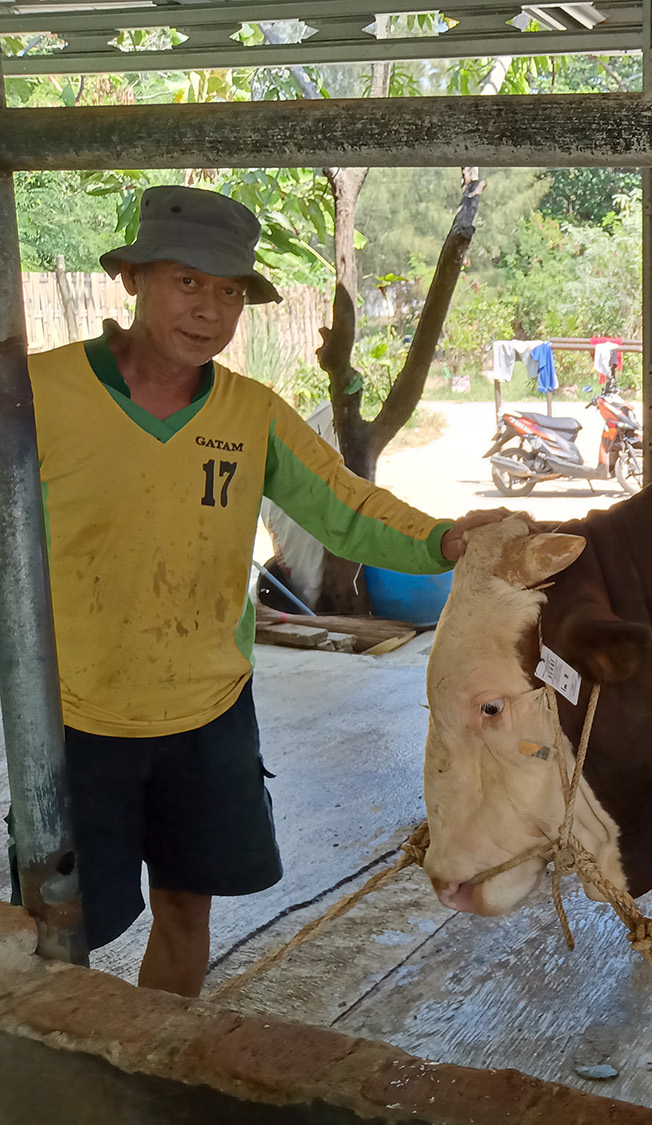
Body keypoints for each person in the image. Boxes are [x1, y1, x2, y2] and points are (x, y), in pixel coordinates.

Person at [5, 185, 508, 997]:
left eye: (231, 291)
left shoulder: (251, 413)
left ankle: (156, 1068)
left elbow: (343, 505)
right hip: (73, 719)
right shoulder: (37, 392)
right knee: (60, 929)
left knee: (186, 908)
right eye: (188, 282)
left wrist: (444, 537)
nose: (210, 310)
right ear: (132, 279)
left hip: (207, 710)